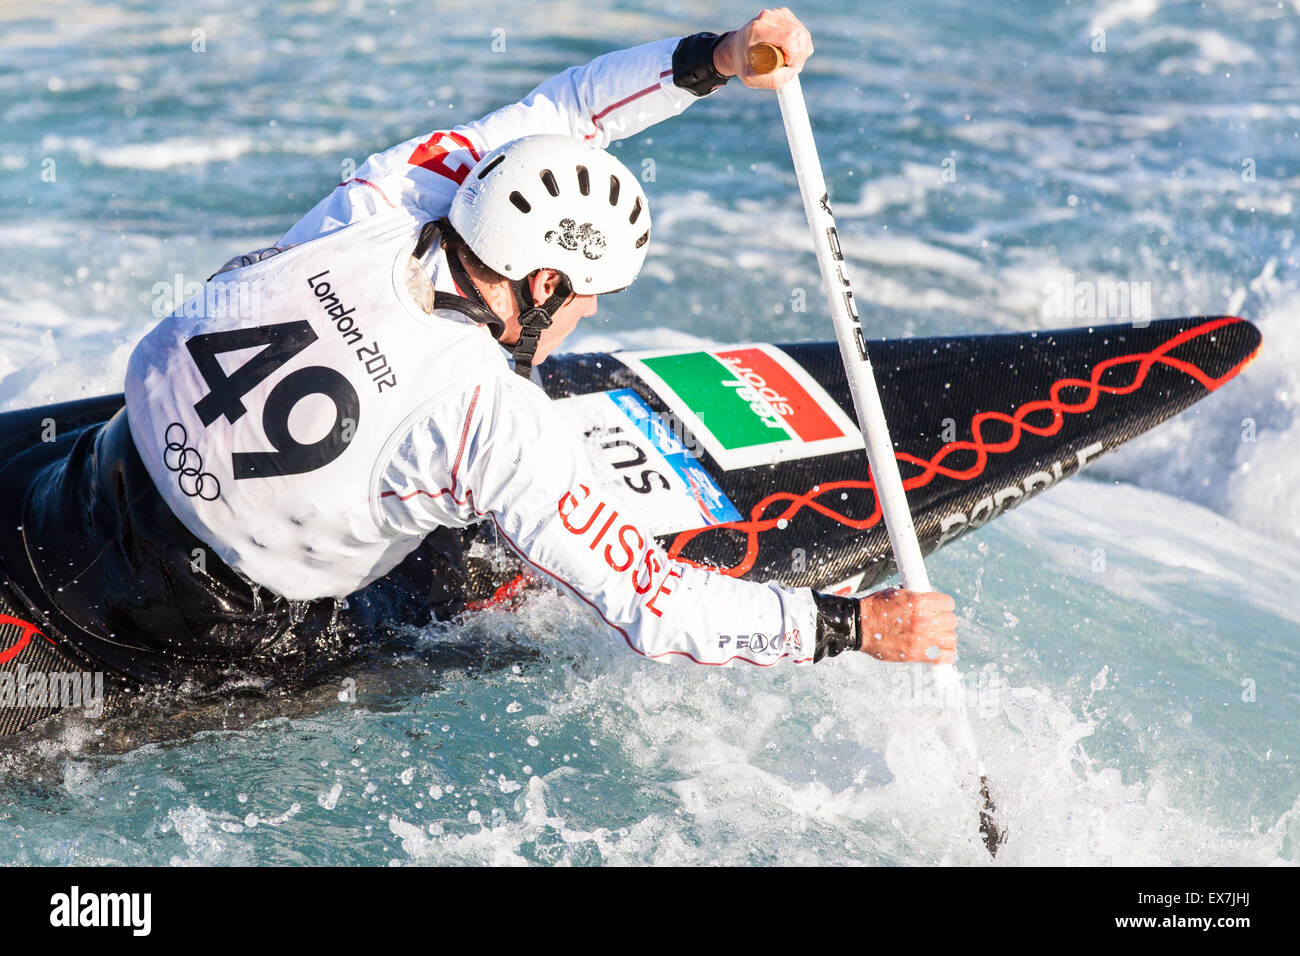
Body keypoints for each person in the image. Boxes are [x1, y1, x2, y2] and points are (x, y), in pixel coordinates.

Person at [0, 9, 956, 735]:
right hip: (174, 629)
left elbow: (565, 111)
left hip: (60, 488)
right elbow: (659, 607)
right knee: (455, 628)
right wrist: (862, 628)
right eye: (588, 297)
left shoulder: (385, 192)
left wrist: (716, 56)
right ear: (545, 279)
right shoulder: (491, 419)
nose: (585, 318)